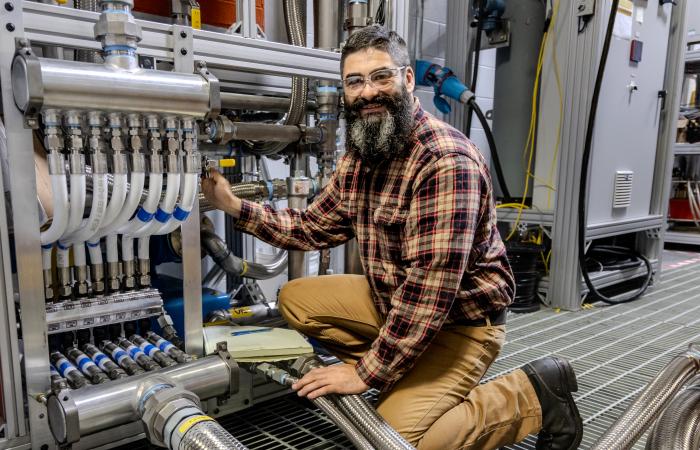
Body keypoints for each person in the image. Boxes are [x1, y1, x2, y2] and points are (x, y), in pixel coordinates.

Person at [202, 25, 583, 450]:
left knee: (394, 443)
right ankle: (407, 377)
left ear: (407, 79)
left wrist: (363, 374)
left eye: (381, 76)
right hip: (394, 303)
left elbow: (429, 292)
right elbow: (314, 226)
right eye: (355, 81)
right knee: (296, 299)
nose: (367, 93)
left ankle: (533, 395)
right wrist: (233, 206)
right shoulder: (363, 156)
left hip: (459, 325)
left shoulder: (444, 162)